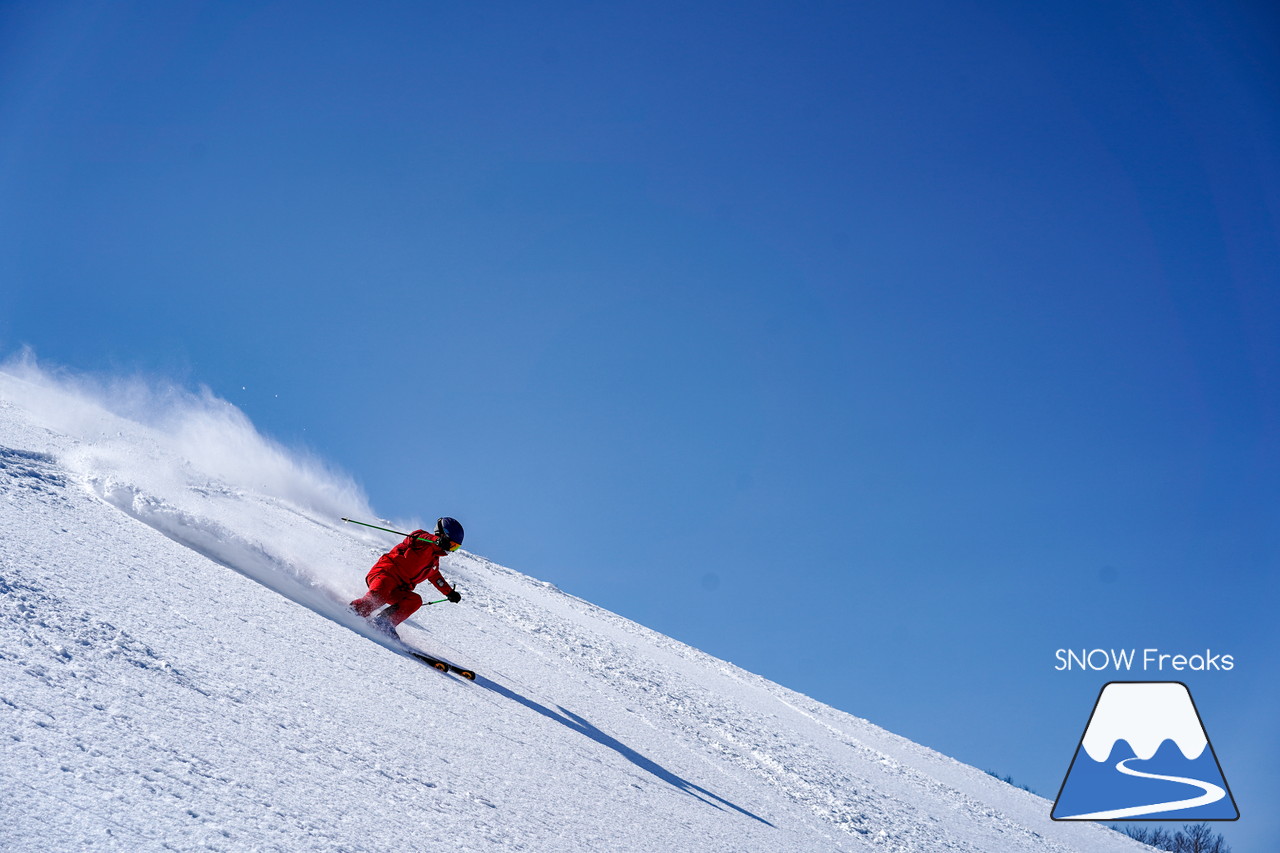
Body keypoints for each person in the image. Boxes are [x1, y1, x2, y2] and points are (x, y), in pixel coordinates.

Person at [350, 517, 464, 638]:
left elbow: (436, 578)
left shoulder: (434, 561)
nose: (450, 550)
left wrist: (450, 593)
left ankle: (384, 623)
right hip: (385, 575)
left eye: (455, 547)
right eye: (451, 545)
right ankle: (354, 611)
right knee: (380, 595)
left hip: (398, 590)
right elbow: (415, 537)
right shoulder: (422, 540)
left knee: (415, 601)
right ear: (443, 535)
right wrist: (435, 540)